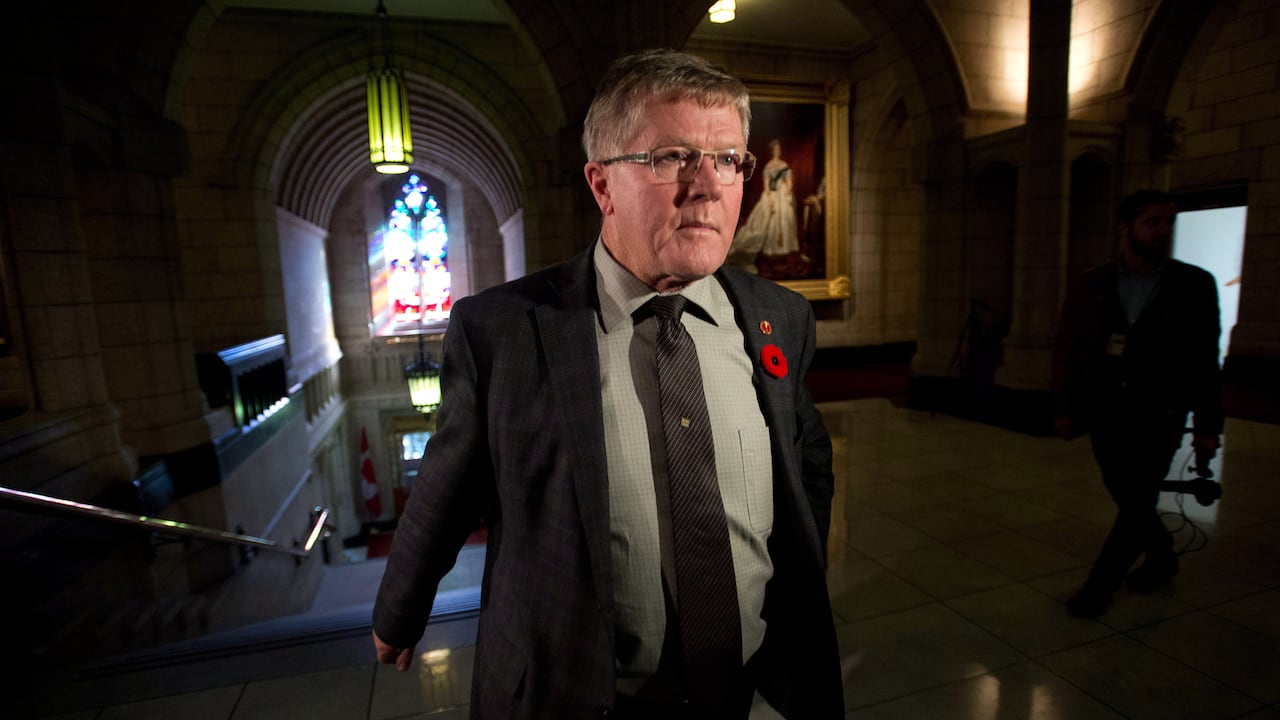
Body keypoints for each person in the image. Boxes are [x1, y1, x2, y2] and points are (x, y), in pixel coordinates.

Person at [372, 48, 843, 719]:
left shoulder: (779, 317)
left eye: (728, 159)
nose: (708, 185)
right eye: (673, 156)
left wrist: (793, 587)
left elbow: (808, 462)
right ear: (601, 185)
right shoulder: (504, 330)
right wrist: (400, 609)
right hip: (579, 695)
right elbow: (450, 486)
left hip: (744, 694)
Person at [1052, 189, 1223, 618]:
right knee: (1128, 494)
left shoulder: (1194, 284)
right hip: (1105, 409)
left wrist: (1207, 425)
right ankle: (1162, 555)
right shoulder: (1091, 283)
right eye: (1153, 222)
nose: (1163, 231)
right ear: (1126, 228)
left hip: (1161, 410)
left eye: (1169, 222)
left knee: (1138, 497)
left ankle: (1100, 585)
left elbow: (1205, 357)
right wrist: (1065, 406)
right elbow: (1068, 349)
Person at [733, 139, 800, 259]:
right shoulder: (769, 166)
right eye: (775, 149)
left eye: (779, 149)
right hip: (772, 194)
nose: (777, 151)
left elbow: (789, 182)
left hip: (783, 193)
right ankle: (771, 248)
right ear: (772, 151)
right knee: (766, 218)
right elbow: (767, 185)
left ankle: (785, 248)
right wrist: (769, 198)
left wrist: (787, 192)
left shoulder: (784, 165)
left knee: (785, 215)